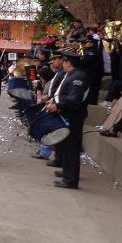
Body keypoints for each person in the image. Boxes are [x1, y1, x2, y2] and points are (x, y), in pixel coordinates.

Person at [45, 49, 89, 189]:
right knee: (65, 146)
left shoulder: (78, 77)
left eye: (64, 61)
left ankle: (70, 179)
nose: (62, 63)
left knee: (71, 148)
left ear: (68, 63)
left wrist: (58, 106)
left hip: (73, 117)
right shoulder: (72, 74)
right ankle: (66, 172)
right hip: (65, 114)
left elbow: (74, 99)